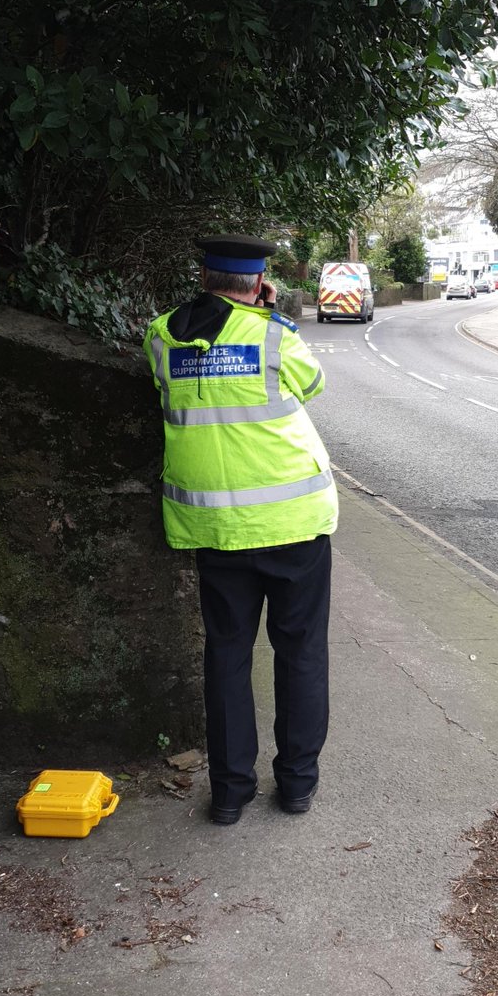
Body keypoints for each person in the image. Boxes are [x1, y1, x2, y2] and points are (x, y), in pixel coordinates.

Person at [143, 234, 338, 826]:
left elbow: (164, 393)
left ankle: (229, 793)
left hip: (214, 529)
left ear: (203, 277)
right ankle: (297, 785)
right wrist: (263, 315)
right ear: (258, 283)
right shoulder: (276, 334)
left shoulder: (161, 335)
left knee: (227, 655)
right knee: (300, 654)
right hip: (293, 524)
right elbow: (311, 387)